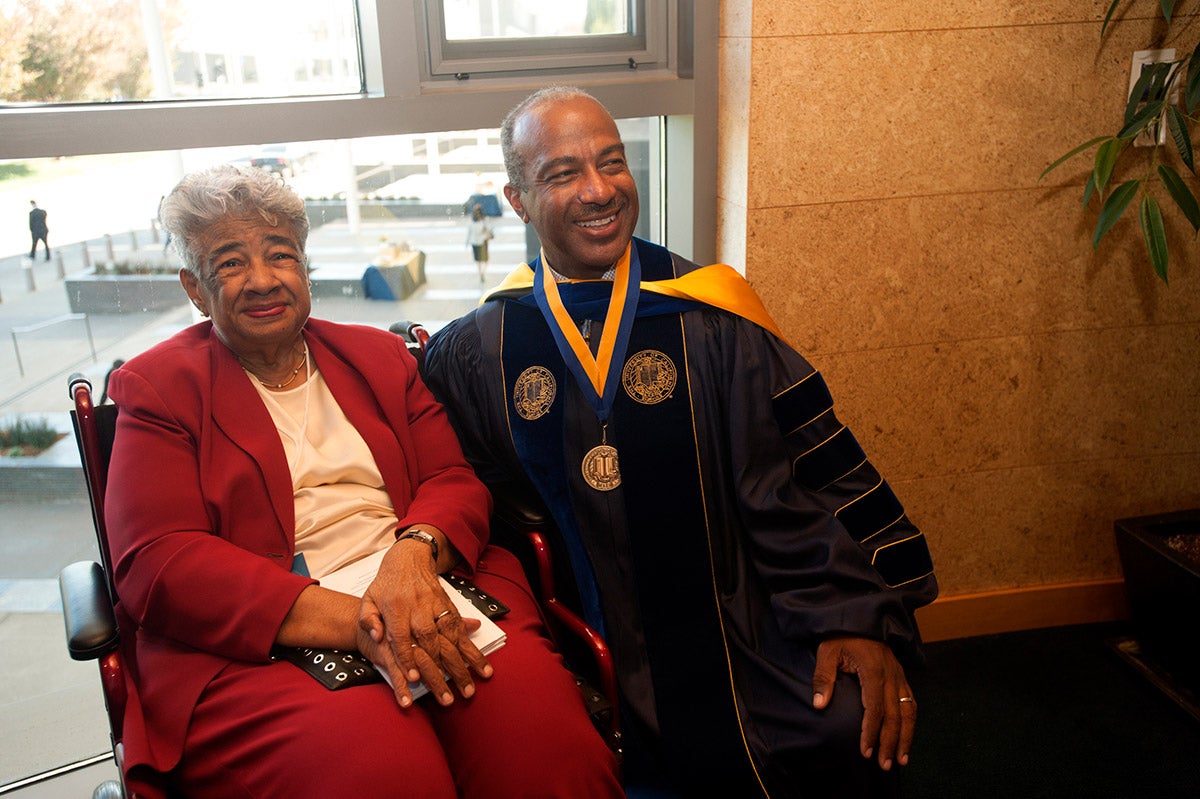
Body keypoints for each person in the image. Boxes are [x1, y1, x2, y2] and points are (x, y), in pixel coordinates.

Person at [421, 86, 939, 798]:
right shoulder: (479, 349)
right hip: (578, 627)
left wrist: (850, 615)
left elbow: (799, 478)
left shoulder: (712, 314)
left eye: (612, 162)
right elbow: (467, 499)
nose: (600, 190)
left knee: (840, 720)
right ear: (516, 200)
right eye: (563, 172)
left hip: (739, 618)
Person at [102, 164, 621, 797]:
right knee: (386, 777)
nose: (263, 280)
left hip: (428, 588)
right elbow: (160, 562)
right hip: (267, 636)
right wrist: (362, 622)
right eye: (230, 264)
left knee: (546, 751)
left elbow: (451, 479)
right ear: (193, 287)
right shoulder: (159, 389)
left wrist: (410, 560)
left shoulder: (378, 356)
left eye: (281, 256)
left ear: (305, 268)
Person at [465, 203, 494, 282]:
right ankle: (482, 272)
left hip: (474, 242)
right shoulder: (484, 221)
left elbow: (469, 233)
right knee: (485, 259)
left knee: (478, 259)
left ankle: (480, 272)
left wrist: (467, 243)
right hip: (483, 242)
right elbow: (489, 230)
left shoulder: (471, 222)